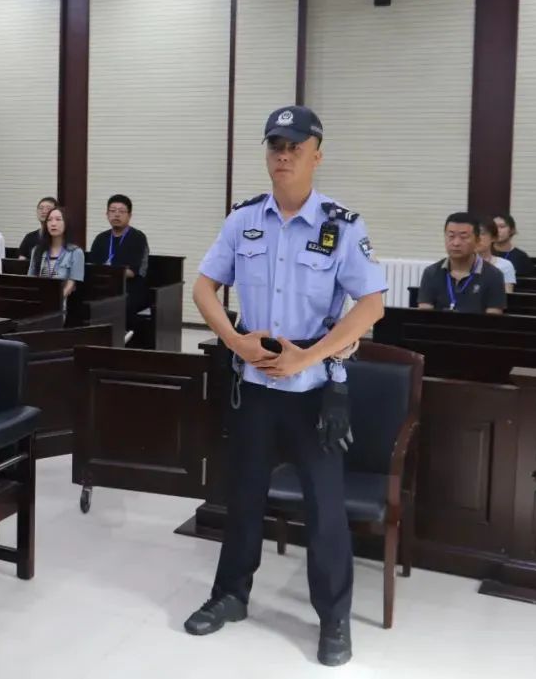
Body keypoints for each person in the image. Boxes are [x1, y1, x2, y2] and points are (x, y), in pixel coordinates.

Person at [185, 105, 386, 667]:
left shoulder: (341, 225)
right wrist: (234, 339)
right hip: (253, 385)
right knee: (243, 495)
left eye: (296, 146)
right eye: (276, 144)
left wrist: (309, 357)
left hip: (315, 391)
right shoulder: (244, 219)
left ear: (316, 155)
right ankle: (230, 596)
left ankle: (334, 619)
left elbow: (371, 305)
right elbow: (203, 287)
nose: (284, 154)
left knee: (325, 510)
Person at [417, 213, 507, 314]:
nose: (456, 243)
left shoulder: (494, 275)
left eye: (464, 237)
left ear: (477, 240)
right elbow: (424, 317)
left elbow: (493, 320)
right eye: (451, 236)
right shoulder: (431, 273)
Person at [87, 195, 151, 326]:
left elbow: (132, 272)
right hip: (103, 286)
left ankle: (124, 334)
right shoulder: (101, 238)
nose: (116, 214)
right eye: (112, 211)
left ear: (129, 215)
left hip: (130, 288)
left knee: (121, 304)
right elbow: (92, 266)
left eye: (121, 211)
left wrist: (106, 272)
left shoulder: (138, 237)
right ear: (107, 214)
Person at [27, 205, 84, 302]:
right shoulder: (37, 250)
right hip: (37, 300)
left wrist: (55, 300)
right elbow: (30, 279)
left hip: (60, 303)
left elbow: (71, 284)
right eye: (49, 220)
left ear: (66, 223)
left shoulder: (75, 252)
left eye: (58, 219)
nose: (53, 224)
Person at [477, 217, 516, 293]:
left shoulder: (505, 265)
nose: (477, 238)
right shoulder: (461, 263)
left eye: (482, 233)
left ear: (493, 238)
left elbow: (507, 294)